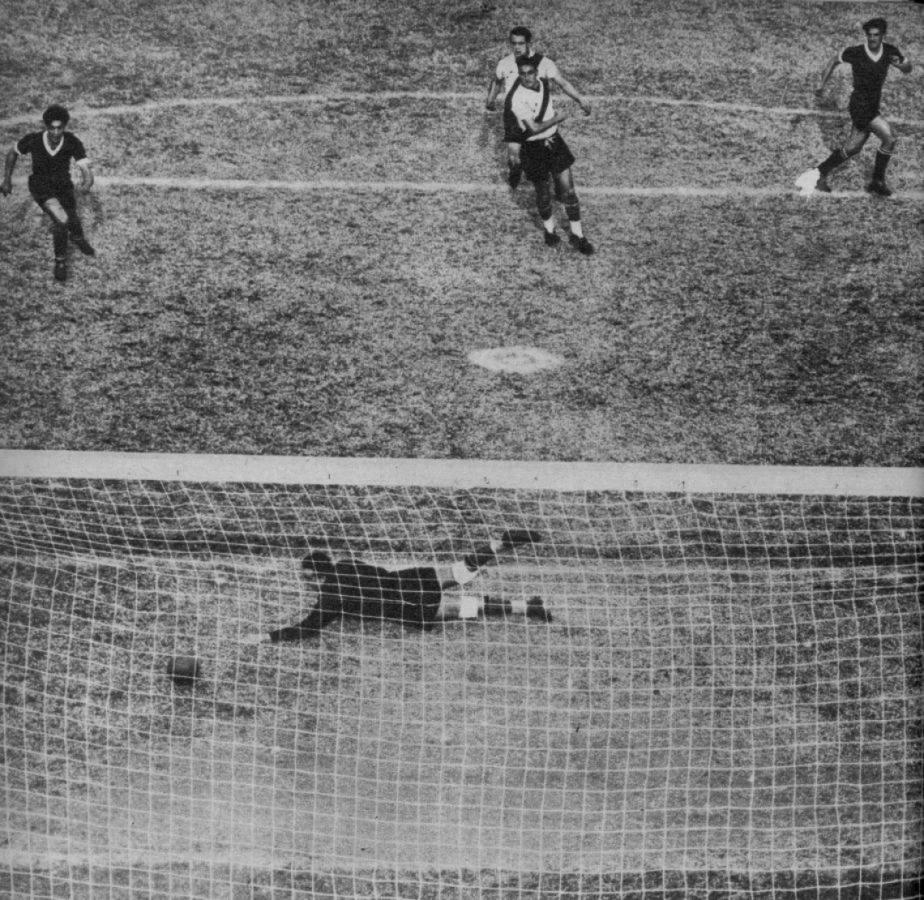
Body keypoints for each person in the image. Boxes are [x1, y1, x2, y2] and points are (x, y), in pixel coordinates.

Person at [267, 529, 550, 642]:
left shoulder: (329, 597)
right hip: (409, 580)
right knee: (462, 570)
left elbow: (309, 627)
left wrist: (268, 637)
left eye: (308, 579)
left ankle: (525, 607)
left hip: (407, 607)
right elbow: (373, 570)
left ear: (316, 577)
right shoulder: (346, 563)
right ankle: (497, 544)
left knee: (468, 608)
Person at [796, 18, 912, 197]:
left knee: (852, 148)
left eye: (876, 35)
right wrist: (821, 84)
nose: (872, 38)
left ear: (882, 35)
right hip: (859, 106)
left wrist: (901, 64)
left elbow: (907, 69)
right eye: (869, 35)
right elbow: (834, 60)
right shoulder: (856, 52)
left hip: (872, 106)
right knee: (889, 139)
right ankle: (877, 182)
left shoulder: (890, 51)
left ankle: (817, 174)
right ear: (866, 35)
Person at [506, 54, 594, 254]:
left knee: (568, 191)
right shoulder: (517, 99)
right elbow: (534, 129)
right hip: (533, 149)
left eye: (530, 73)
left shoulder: (544, 83)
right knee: (543, 194)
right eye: (522, 74)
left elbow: (560, 80)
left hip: (555, 143)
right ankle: (549, 230)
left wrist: (580, 98)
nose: (526, 77)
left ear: (536, 72)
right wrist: (557, 118)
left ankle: (578, 235)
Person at [485, 26, 591, 189]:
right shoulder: (504, 63)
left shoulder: (543, 63)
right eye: (513, 43)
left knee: (545, 151)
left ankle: (557, 184)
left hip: (537, 115)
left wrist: (580, 99)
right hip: (513, 116)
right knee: (513, 154)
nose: (517, 47)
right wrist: (491, 99)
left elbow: (562, 83)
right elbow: (497, 81)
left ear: (528, 43)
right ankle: (515, 169)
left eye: (521, 43)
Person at [1, 104, 96, 282]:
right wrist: (6, 179)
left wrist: (86, 184)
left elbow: (85, 168)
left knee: (71, 215)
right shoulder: (34, 140)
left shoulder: (71, 141)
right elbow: (12, 153)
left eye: (59, 127)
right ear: (46, 126)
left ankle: (77, 237)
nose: (55, 132)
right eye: (51, 127)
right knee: (61, 220)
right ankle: (60, 262)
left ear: (64, 127)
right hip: (41, 187)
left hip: (63, 186)